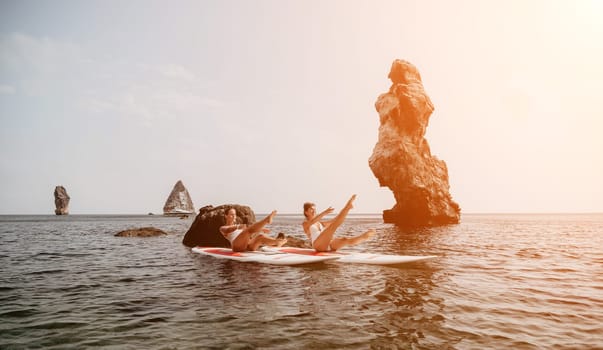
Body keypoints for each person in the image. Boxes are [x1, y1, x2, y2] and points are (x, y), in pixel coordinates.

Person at [302, 194, 375, 252]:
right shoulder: (305, 224)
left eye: (314, 209)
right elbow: (312, 222)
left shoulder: (320, 223)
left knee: (344, 239)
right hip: (318, 246)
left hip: (327, 244)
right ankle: (347, 207)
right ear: (306, 212)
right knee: (332, 228)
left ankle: (363, 237)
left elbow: (334, 221)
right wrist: (324, 213)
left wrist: (344, 211)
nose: (314, 211)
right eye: (311, 209)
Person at [219, 208, 287, 252]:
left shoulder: (240, 226)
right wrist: (237, 226)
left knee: (260, 237)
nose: (234, 216)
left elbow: (251, 230)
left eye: (235, 215)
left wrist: (260, 229)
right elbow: (228, 229)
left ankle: (277, 242)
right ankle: (267, 220)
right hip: (237, 247)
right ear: (226, 216)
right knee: (247, 231)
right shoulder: (222, 228)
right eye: (231, 214)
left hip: (247, 246)